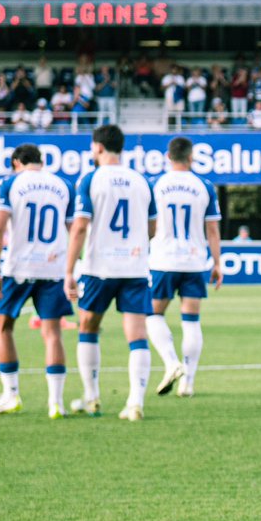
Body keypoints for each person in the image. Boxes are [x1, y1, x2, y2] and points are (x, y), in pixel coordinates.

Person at [63, 124, 157, 421]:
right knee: (137, 334)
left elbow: (79, 226)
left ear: (99, 147)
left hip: (98, 267)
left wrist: (68, 271)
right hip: (134, 266)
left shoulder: (90, 179)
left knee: (88, 327)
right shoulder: (142, 181)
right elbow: (152, 227)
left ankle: (92, 398)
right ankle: (135, 402)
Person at [0, 144, 75, 420]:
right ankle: (56, 403)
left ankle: (11, 394)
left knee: (3, 327)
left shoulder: (9, 184)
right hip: (53, 266)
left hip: (18, 267)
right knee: (52, 334)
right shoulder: (64, 185)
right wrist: (71, 268)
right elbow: (73, 230)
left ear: (15, 162)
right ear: (43, 160)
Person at [147, 137, 223, 400]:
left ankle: (171, 362)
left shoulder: (156, 184)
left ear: (168, 157)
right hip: (193, 260)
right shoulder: (205, 186)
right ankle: (188, 382)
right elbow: (212, 228)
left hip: (162, 260)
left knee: (153, 315)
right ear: (191, 158)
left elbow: (150, 225)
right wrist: (217, 262)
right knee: (191, 320)